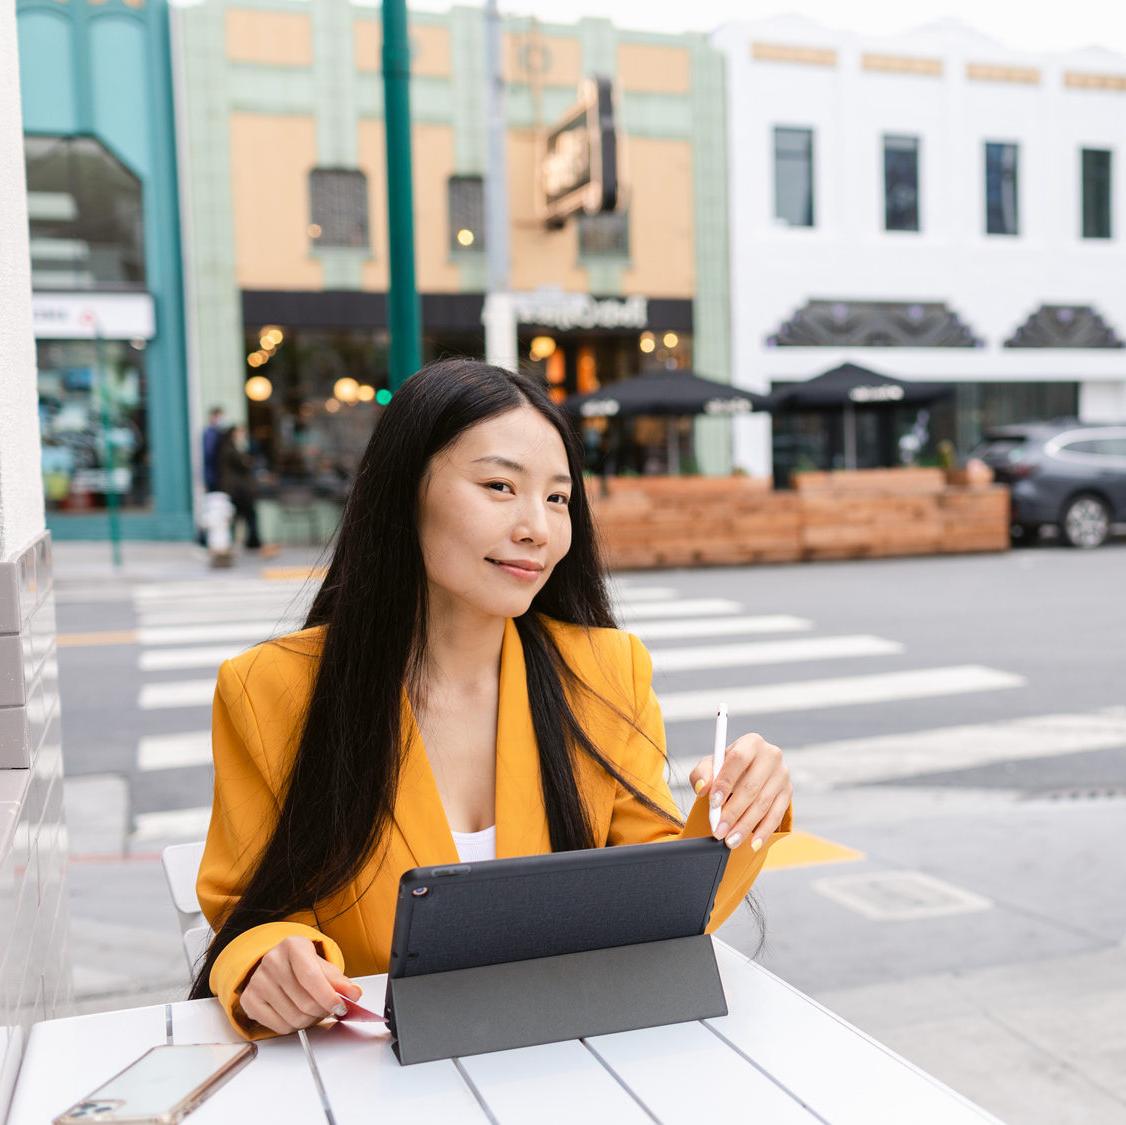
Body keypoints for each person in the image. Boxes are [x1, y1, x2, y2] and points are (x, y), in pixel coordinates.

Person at [190, 359, 793, 1039]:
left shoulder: (605, 669)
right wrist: (268, 962)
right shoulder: (269, 688)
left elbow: (654, 901)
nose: (537, 527)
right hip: (369, 1075)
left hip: (569, 1059)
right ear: (403, 492)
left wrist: (739, 810)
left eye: (559, 498)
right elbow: (246, 906)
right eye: (499, 486)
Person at [215, 424, 278, 557]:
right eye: (240, 433)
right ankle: (249, 542)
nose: (242, 436)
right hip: (239, 491)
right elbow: (244, 463)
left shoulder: (233, 448)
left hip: (240, 491)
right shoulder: (230, 449)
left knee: (244, 517)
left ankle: (249, 542)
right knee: (244, 516)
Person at [201, 406, 225, 493]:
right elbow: (207, 454)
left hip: (220, 475)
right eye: (217, 417)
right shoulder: (208, 434)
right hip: (211, 475)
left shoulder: (222, 433)